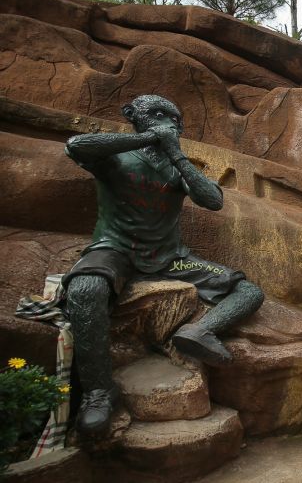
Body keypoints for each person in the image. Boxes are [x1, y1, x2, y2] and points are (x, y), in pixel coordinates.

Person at [61, 95, 264, 438]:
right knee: (84, 289)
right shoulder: (117, 155)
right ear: (134, 118)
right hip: (114, 250)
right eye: (155, 114)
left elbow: (212, 200)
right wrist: (147, 138)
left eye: (173, 118)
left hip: (171, 259)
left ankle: (199, 331)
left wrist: (176, 153)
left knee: (248, 291)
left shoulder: (176, 166)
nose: (167, 122)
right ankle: (99, 391)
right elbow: (76, 145)